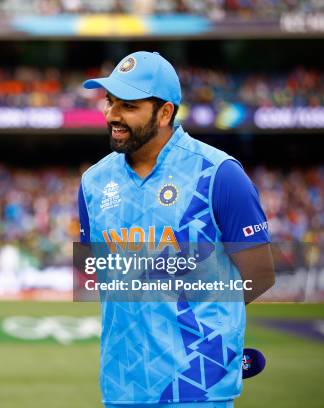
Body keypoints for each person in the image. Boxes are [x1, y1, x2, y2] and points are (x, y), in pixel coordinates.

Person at [78, 51, 275, 408]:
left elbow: (259, 274)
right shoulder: (93, 181)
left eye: (128, 105)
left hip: (198, 385)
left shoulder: (219, 174)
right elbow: (104, 273)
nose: (112, 115)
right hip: (122, 384)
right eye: (110, 102)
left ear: (165, 112)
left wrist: (203, 325)